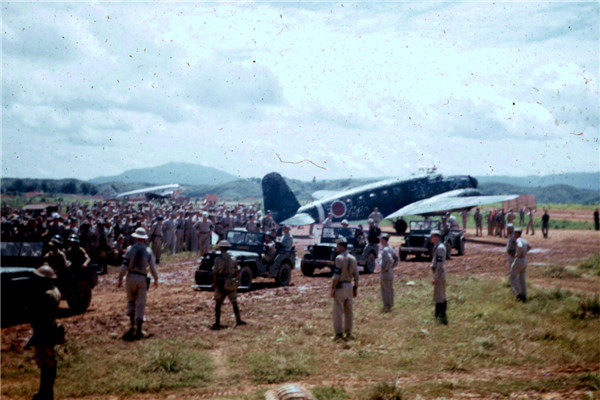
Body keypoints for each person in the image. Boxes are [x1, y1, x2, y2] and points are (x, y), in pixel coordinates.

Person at [26, 264, 63, 400]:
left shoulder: (47, 295)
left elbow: (41, 314)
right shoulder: (54, 291)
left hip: (44, 330)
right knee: (46, 362)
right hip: (49, 328)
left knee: (47, 362)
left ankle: (46, 393)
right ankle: (45, 391)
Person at [117, 227, 159, 341]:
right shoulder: (148, 251)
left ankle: (132, 326)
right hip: (142, 278)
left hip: (130, 277)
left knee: (131, 301)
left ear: (136, 238)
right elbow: (153, 267)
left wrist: (120, 278)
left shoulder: (130, 249)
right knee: (141, 303)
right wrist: (156, 278)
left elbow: (124, 266)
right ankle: (139, 329)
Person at [211, 240, 246, 330]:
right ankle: (238, 319)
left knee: (218, 303)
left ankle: (217, 321)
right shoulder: (233, 258)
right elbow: (237, 271)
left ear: (221, 248)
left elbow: (215, 272)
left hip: (220, 282)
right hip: (231, 281)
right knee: (234, 302)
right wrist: (237, 281)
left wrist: (214, 283)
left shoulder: (217, 259)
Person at [330, 237, 359, 341]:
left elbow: (336, 276)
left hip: (341, 286)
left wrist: (333, 288)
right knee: (349, 311)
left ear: (342, 247)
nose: (337, 247)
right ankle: (349, 332)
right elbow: (356, 275)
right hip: (349, 286)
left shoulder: (339, 258)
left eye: (338, 245)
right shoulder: (353, 258)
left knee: (338, 311)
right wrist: (355, 288)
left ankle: (338, 333)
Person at [429, 230, 447, 325]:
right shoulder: (438, 247)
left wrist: (435, 276)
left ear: (437, 237)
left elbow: (440, 264)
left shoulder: (440, 248)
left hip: (439, 273)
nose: (431, 238)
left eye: (432, 236)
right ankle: (441, 313)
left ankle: (439, 314)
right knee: (440, 294)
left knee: (439, 294)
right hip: (438, 273)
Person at [510, 228, 531, 302]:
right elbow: (529, 246)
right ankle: (524, 295)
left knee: (512, 277)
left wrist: (518, 254)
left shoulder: (518, 240)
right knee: (522, 279)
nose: (514, 234)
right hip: (524, 260)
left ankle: (518, 293)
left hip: (519, 260)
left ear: (518, 234)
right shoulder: (524, 240)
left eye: (515, 233)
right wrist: (524, 253)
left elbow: (519, 246)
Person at [379, 234, 398, 312]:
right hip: (389, 271)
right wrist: (392, 267)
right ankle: (390, 304)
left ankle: (387, 305)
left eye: (381, 239)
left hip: (386, 272)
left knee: (385, 289)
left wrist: (386, 269)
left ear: (384, 240)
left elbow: (390, 260)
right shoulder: (390, 248)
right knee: (389, 288)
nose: (380, 241)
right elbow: (396, 258)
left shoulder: (386, 249)